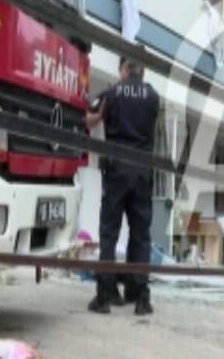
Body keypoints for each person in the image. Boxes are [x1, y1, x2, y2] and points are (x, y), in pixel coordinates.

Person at [86, 53, 160, 316]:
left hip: (116, 169)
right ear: (142, 70)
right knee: (140, 235)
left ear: (124, 68)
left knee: (109, 233)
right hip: (142, 171)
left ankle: (104, 296)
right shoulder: (153, 96)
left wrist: (102, 113)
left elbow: (89, 119)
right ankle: (139, 297)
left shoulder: (112, 93)